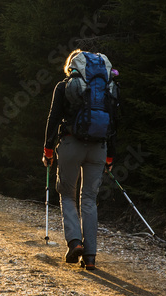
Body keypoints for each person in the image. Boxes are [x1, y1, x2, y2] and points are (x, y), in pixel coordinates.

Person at [42, 49, 119, 271]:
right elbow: (115, 122)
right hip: (99, 148)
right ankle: (91, 256)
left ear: (72, 66)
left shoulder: (64, 86)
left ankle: (75, 242)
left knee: (67, 194)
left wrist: (48, 149)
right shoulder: (108, 88)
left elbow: (53, 118)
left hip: (70, 145)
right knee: (89, 199)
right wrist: (110, 156)